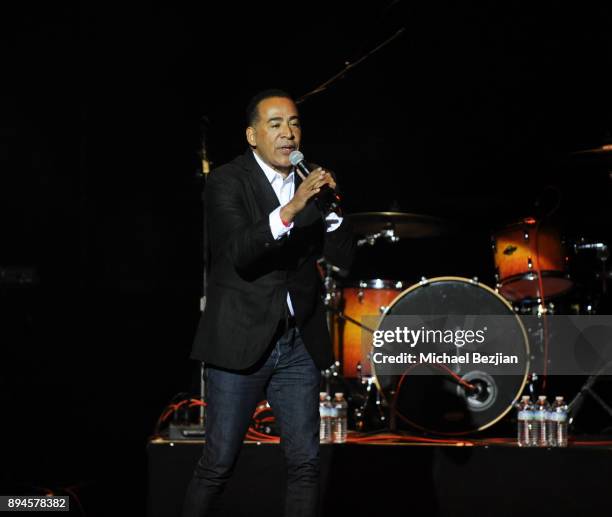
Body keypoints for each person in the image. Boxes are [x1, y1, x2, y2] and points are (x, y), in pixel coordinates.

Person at [182, 89, 354, 517]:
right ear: (252, 135)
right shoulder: (227, 180)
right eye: (275, 124)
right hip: (241, 339)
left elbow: (344, 259)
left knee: (305, 465)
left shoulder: (310, 179)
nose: (288, 134)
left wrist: (332, 213)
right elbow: (240, 250)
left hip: (297, 343)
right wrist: (294, 207)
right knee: (218, 464)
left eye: (294, 123)